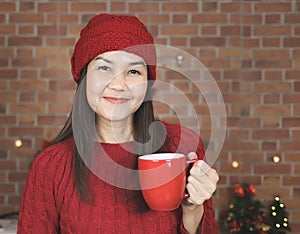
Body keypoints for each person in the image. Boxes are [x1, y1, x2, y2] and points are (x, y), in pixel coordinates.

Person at [17, 13, 219, 234]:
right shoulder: (51, 166)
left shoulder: (182, 145)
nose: (118, 84)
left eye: (133, 71)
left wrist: (192, 207)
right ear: (84, 77)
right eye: (104, 68)